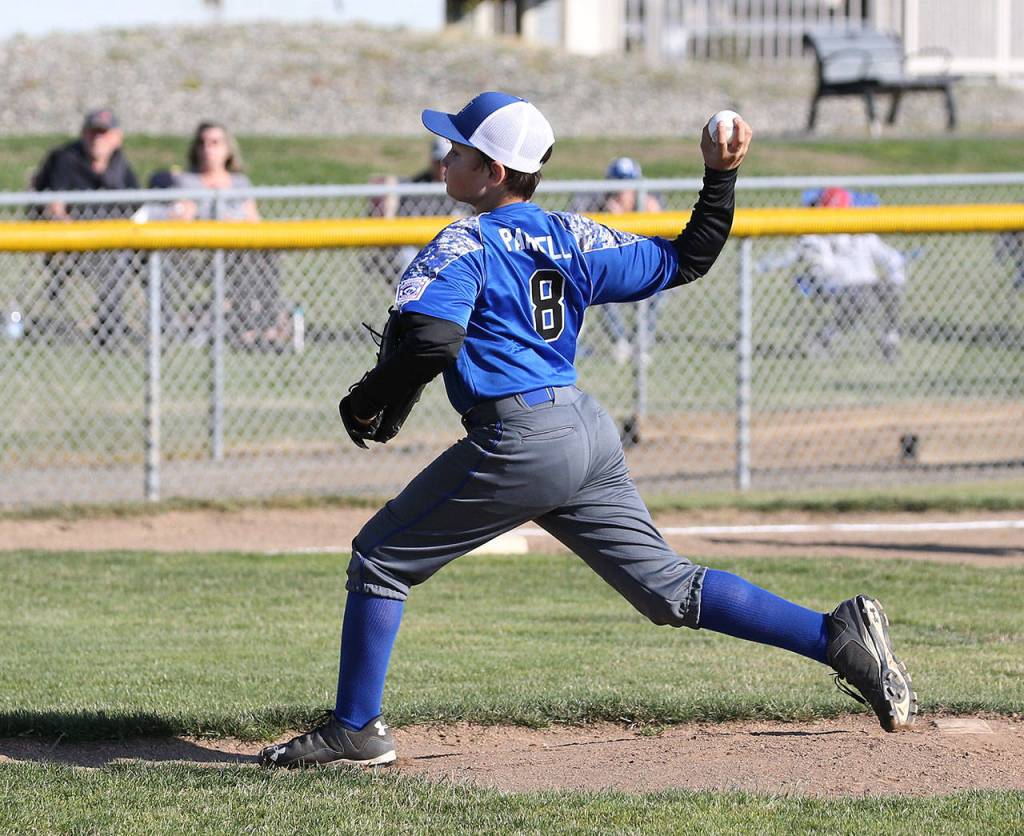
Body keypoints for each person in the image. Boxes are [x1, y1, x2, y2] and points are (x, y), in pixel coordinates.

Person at [259, 93, 916, 770]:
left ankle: (355, 729)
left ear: (490, 173)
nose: (444, 160)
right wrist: (720, 177)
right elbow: (690, 256)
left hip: (518, 439)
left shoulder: (465, 239)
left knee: (380, 560)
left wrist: (367, 402)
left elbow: (429, 340)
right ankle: (836, 637)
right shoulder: (575, 234)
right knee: (670, 589)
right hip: (583, 430)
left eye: (457, 151)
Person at [169, 122, 286, 349]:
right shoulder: (188, 182)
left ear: (227, 149)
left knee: (264, 255)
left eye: (215, 143)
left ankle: (268, 325)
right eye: (202, 143)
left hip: (244, 248)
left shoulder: (240, 183)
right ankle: (246, 327)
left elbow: (255, 222)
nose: (208, 149)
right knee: (244, 260)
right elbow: (182, 219)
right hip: (205, 253)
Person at [29, 108, 140, 345]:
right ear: (83, 134)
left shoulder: (120, 165)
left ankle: (161, 324)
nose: (98, 139)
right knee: (114, 261)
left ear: (117, 137)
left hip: (114, 238)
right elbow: (53, 207)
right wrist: (76, 234)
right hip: (73, 239)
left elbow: (137, 208)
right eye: (92, 133)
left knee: (146, 256)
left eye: (104, 133)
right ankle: (110, 327)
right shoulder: (65, 158)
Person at [794, 187, 906, 361]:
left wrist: (896, 278)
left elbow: (889, 257)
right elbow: (823, 268)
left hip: (868, 283)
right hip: (837, 285)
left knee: (890, 291)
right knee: (859, 298)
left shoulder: (860, 231)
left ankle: (889, 340)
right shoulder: (816, 235)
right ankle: (825, 338)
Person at [597, 157, 666, 365]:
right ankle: (620, 342)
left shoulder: (648, 204)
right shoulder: (601, 207)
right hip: (615, 271)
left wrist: (653, 215)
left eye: (628, 184)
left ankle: (642, 344)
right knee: (601, 291)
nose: (623, 191)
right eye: (618, 184)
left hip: (644, 268)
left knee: (662, 291)